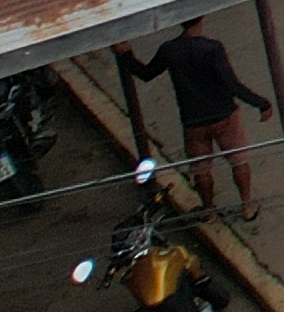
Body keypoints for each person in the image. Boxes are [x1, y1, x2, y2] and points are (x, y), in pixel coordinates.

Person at [113, 17, 269, 220]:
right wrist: (260, 103)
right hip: (224, 114)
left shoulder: (169, 50)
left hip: (193, 121)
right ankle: (247, 205)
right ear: (201, 19)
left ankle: (208, 208)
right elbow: (231, 83)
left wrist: (126, 55)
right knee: (238, 161)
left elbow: (146, 73)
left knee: (201, 168)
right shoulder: (212, 48)